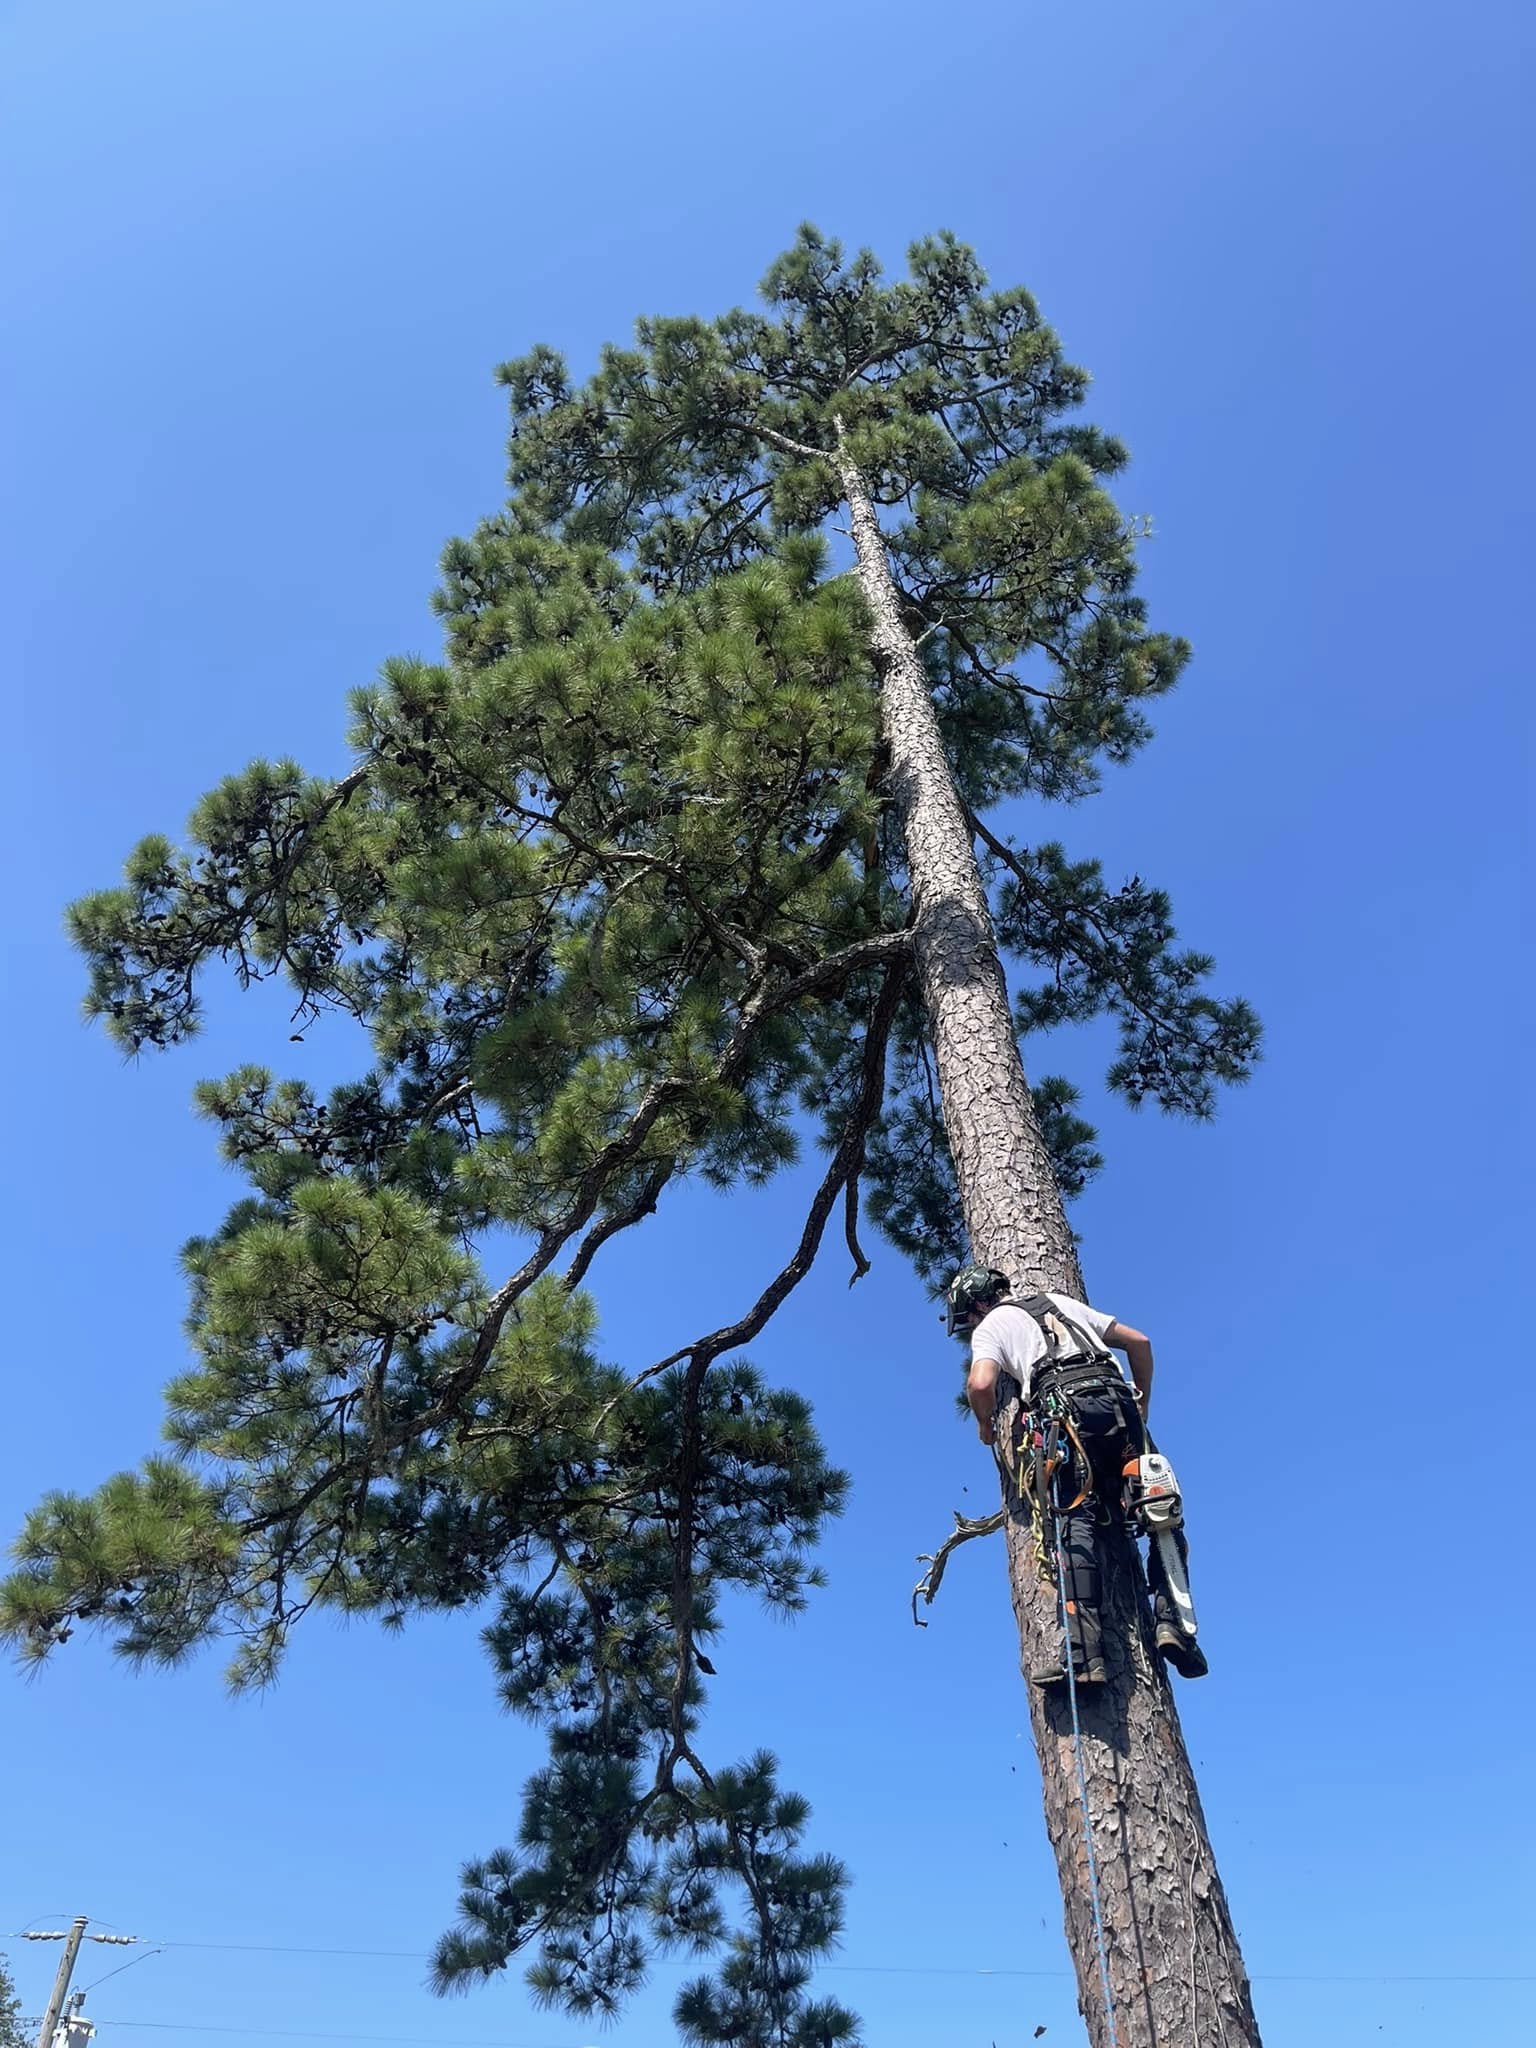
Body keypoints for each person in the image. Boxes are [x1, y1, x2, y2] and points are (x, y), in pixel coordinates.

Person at [945, 1264, 1208, 1686]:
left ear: (978, 1304)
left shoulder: (991, 1325)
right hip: (1119, 1408)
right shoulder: (1061, 1304)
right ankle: (1174, 1624)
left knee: (1075, 1520)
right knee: (1159, 1509)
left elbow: (980, 1385)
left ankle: (1085, 1659)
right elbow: (1139, 1342)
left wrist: (985, 1425)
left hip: (1064, 1413)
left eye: (969, 1316)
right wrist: (1141, 1404)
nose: (971, 1325)